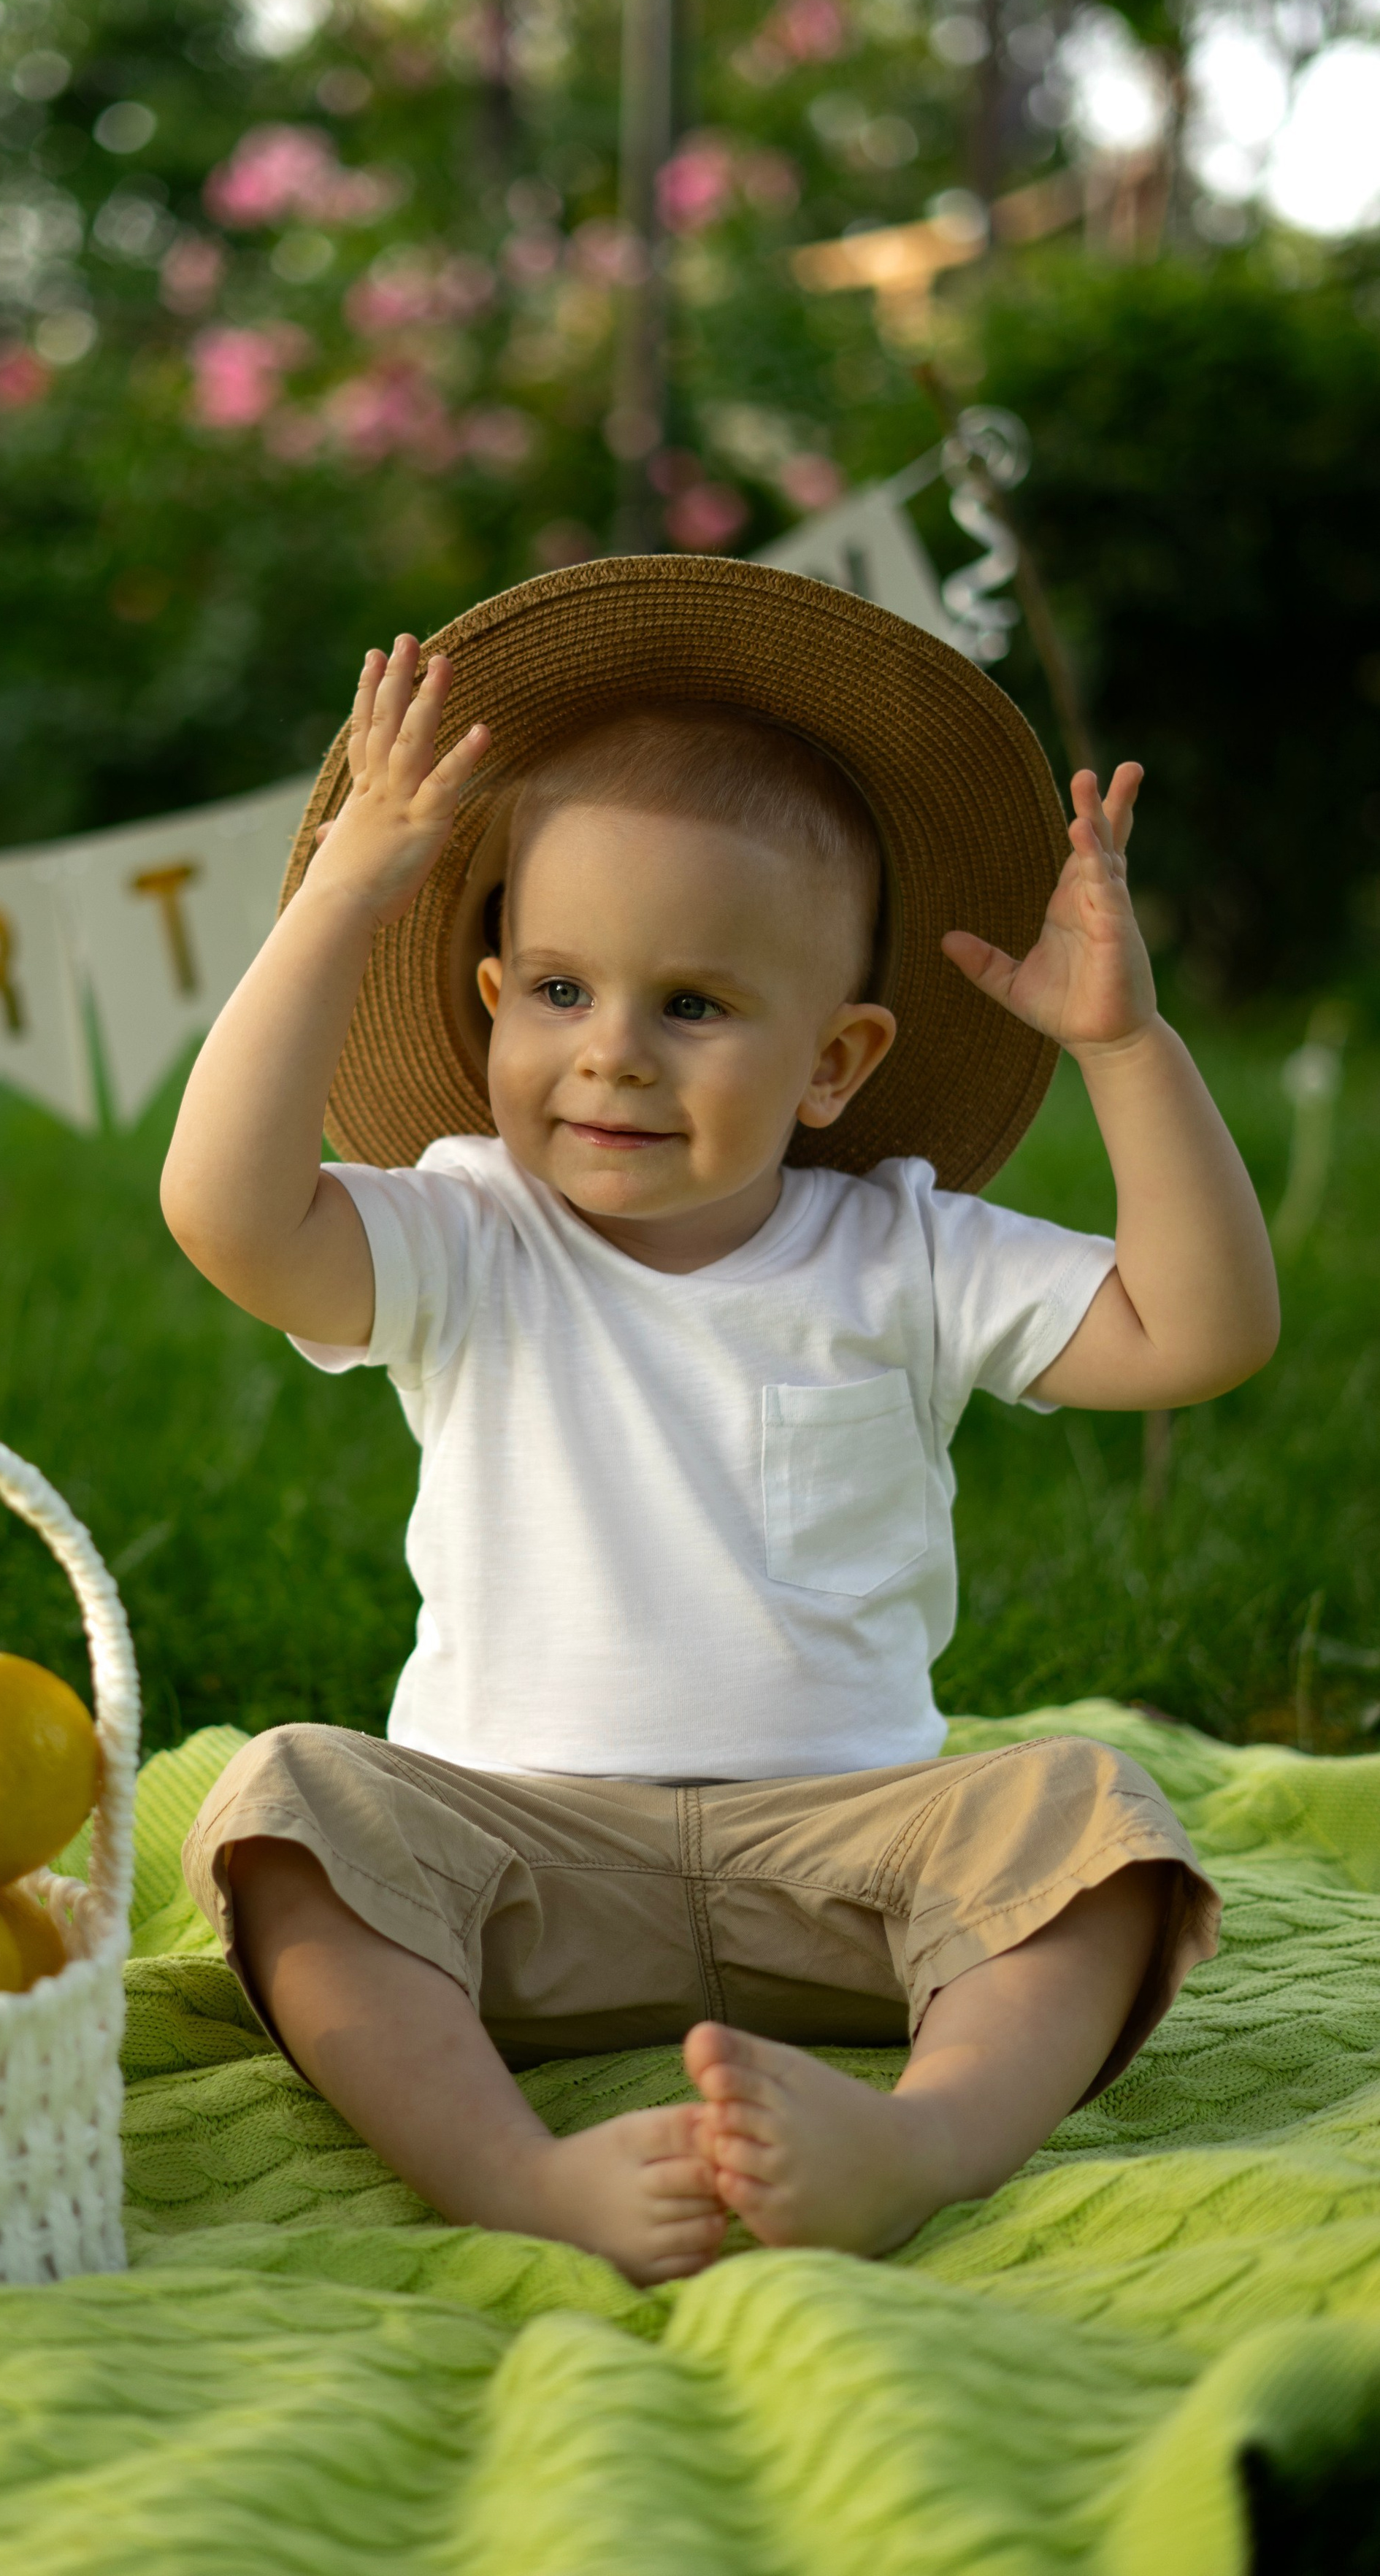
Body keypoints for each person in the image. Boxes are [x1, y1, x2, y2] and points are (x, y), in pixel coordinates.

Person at [159, 561, 1278, 2288]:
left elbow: (1196, 1332)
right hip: (511, 1851)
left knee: (1088, 1819)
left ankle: (917, 2140)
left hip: (848, 1855)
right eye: (556, 990)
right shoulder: (467, 1233)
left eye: (689, 1007)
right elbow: (226, 1212)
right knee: (289, 1806)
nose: (608, 1055)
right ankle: (513, 2173)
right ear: (486, 999)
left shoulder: (894, 1247)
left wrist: (1124, 1050)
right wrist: (335, 901)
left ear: (830, 1063)